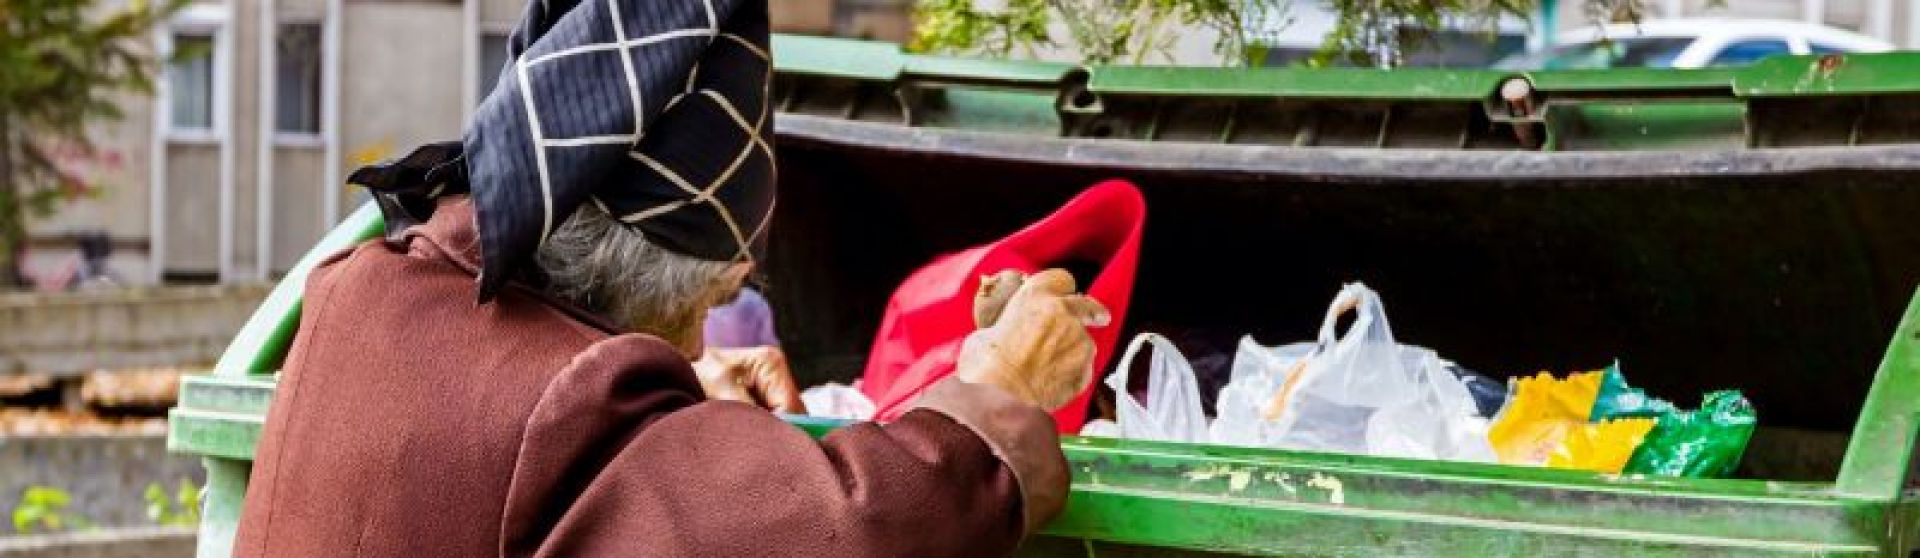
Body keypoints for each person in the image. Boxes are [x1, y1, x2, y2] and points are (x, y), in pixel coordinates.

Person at [231, 0, 1108, 556]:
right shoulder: (571, 405)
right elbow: (851, 530)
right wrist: (998, 391)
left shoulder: (361, 288)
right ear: (653, 278)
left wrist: (671, 402)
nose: (698, 339)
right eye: (708, 303)